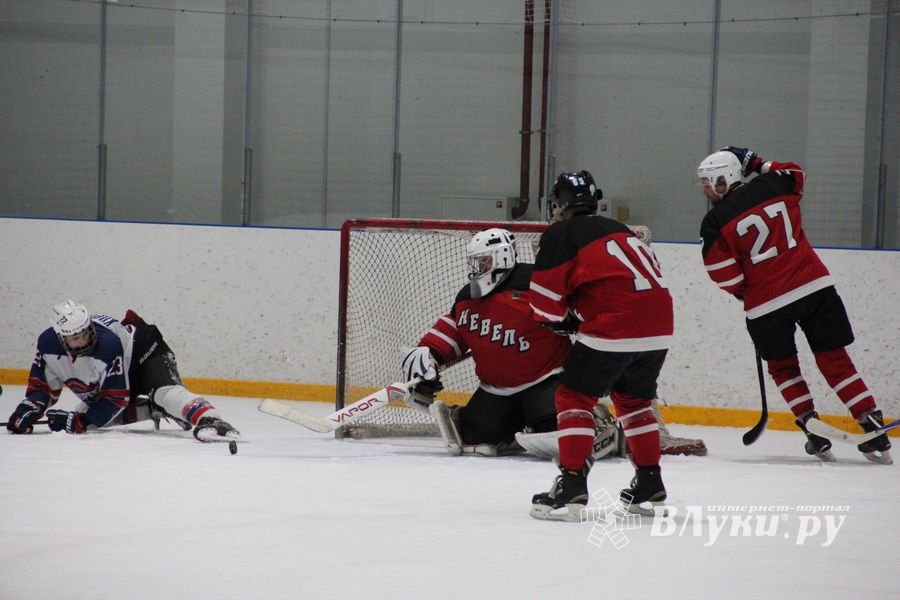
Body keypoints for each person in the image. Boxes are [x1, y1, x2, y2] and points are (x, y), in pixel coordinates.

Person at [697, 146, 892, 464]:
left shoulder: (714, 221)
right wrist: (757, 162)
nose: (706, 190)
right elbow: (796, 172)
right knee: (835, 359)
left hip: (765, 306)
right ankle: (869, 419)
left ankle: (810, 426)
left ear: (725, 179)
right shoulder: (775, 183)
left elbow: (722, 273)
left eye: (709, 182)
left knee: (783, 367)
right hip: (814, 287)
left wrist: (744, 291)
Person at [528, 170, 675, 521]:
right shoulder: (621, 230)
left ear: (560, 204)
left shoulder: (562, 233)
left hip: (615, 324)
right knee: (634, 401)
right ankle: (649, 480)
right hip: (660, 326)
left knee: (573, 397)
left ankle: (572, 483)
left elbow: (544, 305)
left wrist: (562, 319)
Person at [400, 227, 621, 459]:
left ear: (503, 255)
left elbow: (586, 315)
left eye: (484, 260)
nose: (479, 267)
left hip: (546, 381)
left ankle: (596, 420)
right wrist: (428, 354)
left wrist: (596, 364)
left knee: (558, 433)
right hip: (496, 391)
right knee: (474, 439)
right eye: (477, 262)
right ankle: (510, 432)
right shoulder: (467, 296)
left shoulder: (537, 283)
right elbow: (454, 329)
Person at [6, 299, 239, 441]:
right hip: (119, 365)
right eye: (76, 338)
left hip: (142, 350)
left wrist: (79, 422)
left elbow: (116, 399)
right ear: (61, 338)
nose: (84, 340)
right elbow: (43, 386)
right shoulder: (47, 344)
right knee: (87, 413)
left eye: (86, 332)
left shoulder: (106, 343)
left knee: (165, 393)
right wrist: (32, 407)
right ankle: (151, 410)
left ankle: (211, 420)